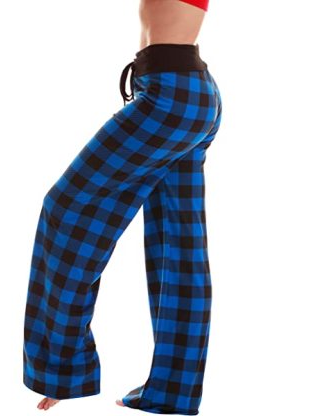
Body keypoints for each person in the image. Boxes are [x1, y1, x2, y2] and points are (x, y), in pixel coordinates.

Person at [23, 0, 222, 413]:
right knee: (178, 245)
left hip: (170, 98)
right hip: (182, 93)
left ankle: (64, 370)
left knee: (65, 209)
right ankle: (172, 394)